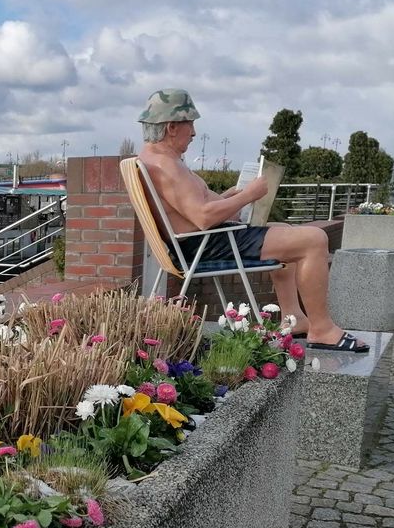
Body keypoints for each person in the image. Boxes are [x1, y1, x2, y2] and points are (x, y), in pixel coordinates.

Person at [136, 88, 368, 353]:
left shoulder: (157, 160)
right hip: (202, 245)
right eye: (191, 124)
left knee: (284, 230)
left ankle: (294, 319)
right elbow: (202, 217)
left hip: (199, 241)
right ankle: (323, 329)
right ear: (172, 126)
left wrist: (229, 197)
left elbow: (189, 210)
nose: (194, 133)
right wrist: (248, 195)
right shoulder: (166, 165)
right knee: (314, 239)